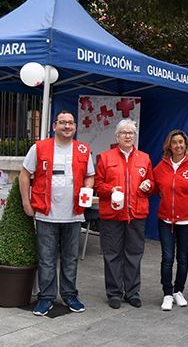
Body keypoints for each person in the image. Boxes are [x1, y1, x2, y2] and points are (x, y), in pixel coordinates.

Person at [19, 110, 94, 316]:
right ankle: (46, 297)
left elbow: (90, 176)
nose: (67, 126)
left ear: (75, 127)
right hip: (46, 213)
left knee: (70, 258)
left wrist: (87, 190)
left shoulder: (83, 149)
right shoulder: (39, 148)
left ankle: (70, 294)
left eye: (70, 123)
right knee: (46, 258)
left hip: (73, 214)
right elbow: (24, 175)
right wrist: (27, 202)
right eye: (63, 123)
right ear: (54, 126)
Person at [94, 119, 154, 309]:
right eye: (124, 133)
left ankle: (132, 292)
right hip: (112, 215)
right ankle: (114, 292)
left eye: (131, 133)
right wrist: (111, 190)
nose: (128, 136)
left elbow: (151, 183)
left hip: (136, 214)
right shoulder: (105, 158)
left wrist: (148, 185)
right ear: (117, 136)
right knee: (112, 254)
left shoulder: (144, 158)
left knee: (134, 254)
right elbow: (97, 185)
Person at [152, 130, 188, 311]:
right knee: (167, 258)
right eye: (175, 143)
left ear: (186, 144)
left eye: (181, 142)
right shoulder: (161, 166)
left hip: (186, 220)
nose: (178, 145)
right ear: (169, 146)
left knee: (183, 258)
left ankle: (179, 291)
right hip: (165, 219)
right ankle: (167, 293)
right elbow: (153, 187)